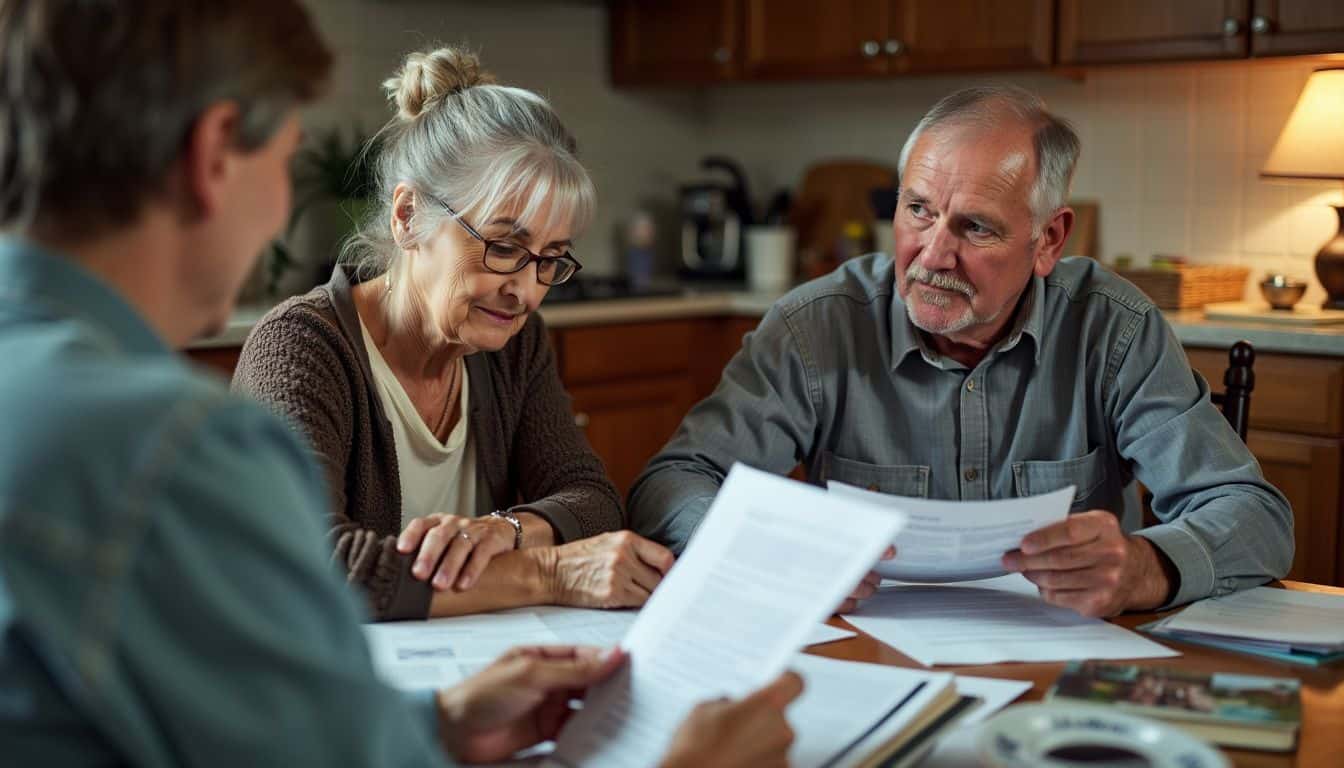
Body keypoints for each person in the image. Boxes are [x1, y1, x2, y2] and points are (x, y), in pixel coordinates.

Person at [0, 2, 799, 765]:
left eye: (548, 260)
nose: (525, 287)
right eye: (284, 158)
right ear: (215, 156)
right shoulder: (172, 445)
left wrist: (439, 726)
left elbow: (221, 723)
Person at [629, 85, 1293, 618]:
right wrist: (763, 553)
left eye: (975, 226)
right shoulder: (816, 328)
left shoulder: (1112, 329)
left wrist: (1146, 567)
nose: (933, 254)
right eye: (918, 211)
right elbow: (671, 485)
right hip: (865, 662)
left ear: (1048, 241)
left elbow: (1256, 517)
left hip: (1069, 672)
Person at [233, 47, 675, 622]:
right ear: (409, 216)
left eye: (551, 259)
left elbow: (591, 500)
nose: (527, 291)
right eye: (504, 247)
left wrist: (509, 530)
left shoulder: (514, 345)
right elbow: (301, 562)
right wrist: (547, 569)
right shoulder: (300, 347)